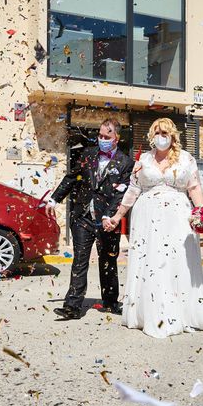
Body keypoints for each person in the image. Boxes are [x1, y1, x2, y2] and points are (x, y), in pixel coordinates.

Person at [105, 117, 203, 338]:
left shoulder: (186, 159)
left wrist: (202, 213)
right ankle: (148, 312)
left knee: (176, 260)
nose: (162, 137)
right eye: (158, 133)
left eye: (165, 133)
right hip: (146, 217)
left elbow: (195, 187)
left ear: (173, 136)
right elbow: (133, 190)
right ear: (152, 136)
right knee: (151, 261)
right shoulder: (143, 159)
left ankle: (181, 312)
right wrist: (117, 215)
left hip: (177, 217)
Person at [46, 118, 134, 320]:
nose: (101, 139)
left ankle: (111, 302)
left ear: (116, 138)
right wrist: (54, 199)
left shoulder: (126, 163)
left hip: (109, 221)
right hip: (83, 217)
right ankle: (72, 306)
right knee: (80, 261)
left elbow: (122, 193)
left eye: (106, 136)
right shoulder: (87, 154)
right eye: (100, 135)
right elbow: (71, 178)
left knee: (108, 261)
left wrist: (109, 216)